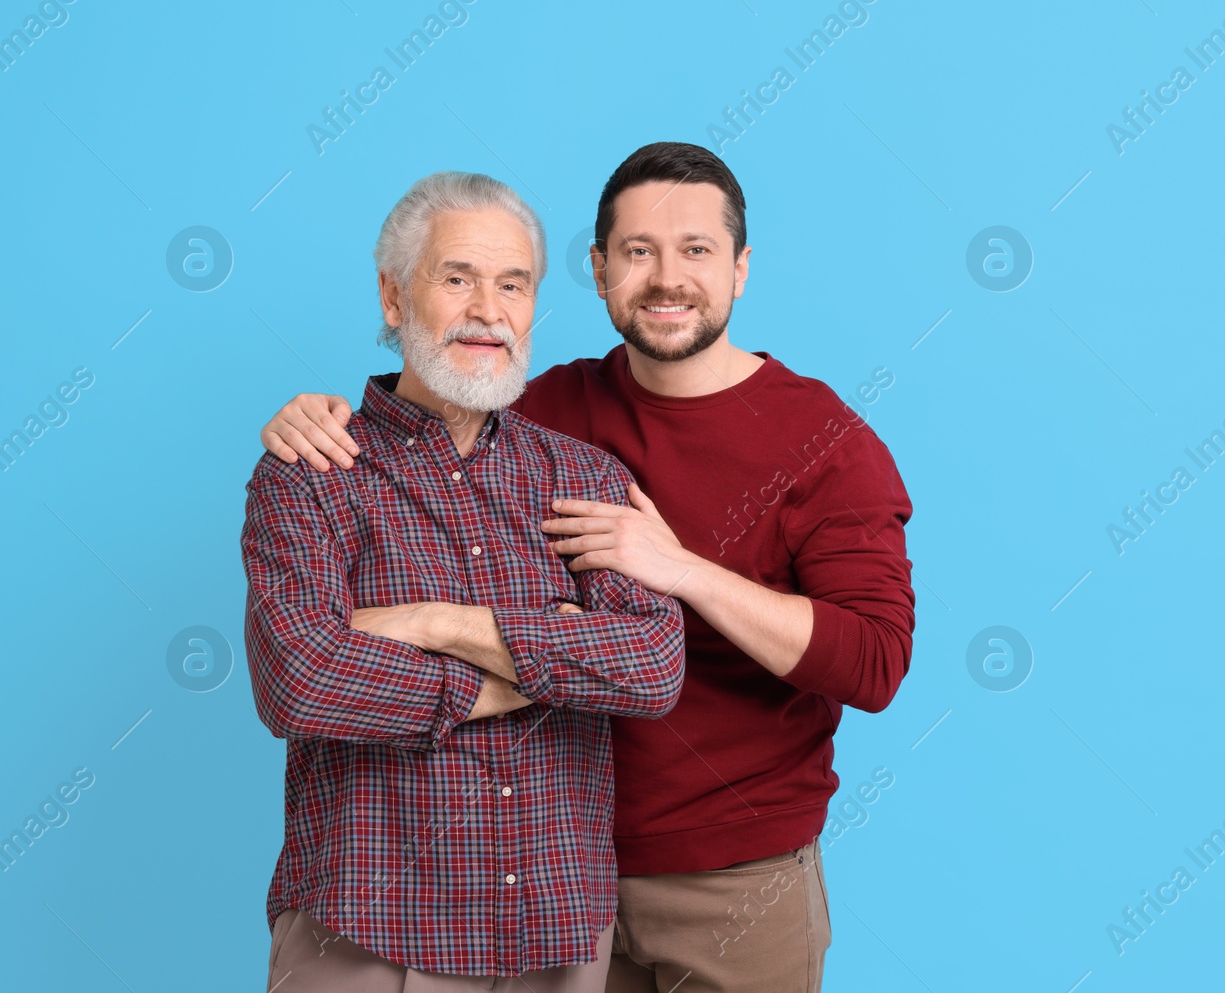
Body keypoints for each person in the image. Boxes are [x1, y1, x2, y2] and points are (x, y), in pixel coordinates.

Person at [260, 143, 915, 992]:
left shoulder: (821, 441)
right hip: (559, 879)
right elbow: (437, 396)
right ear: (601, 272)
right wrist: (307, 418)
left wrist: (677, 571)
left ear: (742, 269)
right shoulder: (544, 411)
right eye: (639, 251)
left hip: (729, 874)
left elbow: (861, 661)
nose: (668, 278)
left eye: (698, 251)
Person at [241, 171, 685, 991]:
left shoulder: (583, 475)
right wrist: (544, 666)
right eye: (458, 278)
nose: (489, 309)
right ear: (394, 295)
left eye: (512, 283)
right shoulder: (310, 473)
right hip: (368, 932)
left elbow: (652, 665)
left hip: (557, 936)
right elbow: (300, 679)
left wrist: (434, 622)